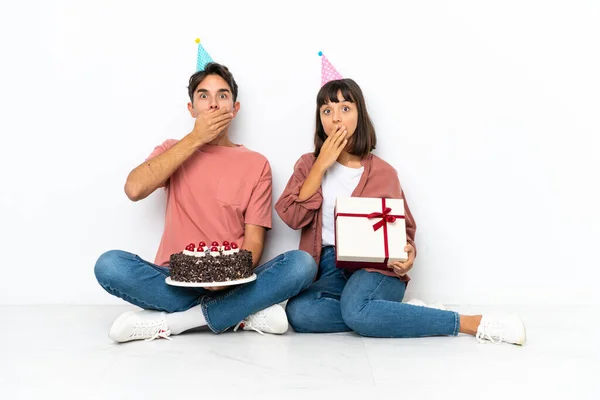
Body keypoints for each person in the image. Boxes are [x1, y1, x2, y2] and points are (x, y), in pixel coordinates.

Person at [275, 77, 526, 344]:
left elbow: (403, 233)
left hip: (375, 268)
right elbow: (292, 217)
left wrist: (408, 254)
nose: (336, 118)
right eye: (327, 111)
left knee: (356, 309)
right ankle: (391, 314)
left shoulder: (383, 173)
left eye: (345, 108)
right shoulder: (307, 165)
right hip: (329, 268)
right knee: (300, 313)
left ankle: (468, 323)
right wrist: (320, 166)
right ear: (320, 121)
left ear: (360, 115)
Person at [94, 62, 317, 343]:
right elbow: (134, 189)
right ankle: (241, 314)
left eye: (222, 96)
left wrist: (229, 276)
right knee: (109, 265)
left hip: (234, 281)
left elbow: (254, 240)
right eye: (203, 96)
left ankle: (176, 323)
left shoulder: (256, 164)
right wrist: (196, 138)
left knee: (302, 264)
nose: (213, 104)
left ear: (235, 109)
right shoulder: (171, 149)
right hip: (173, 279)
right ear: (191, 109)